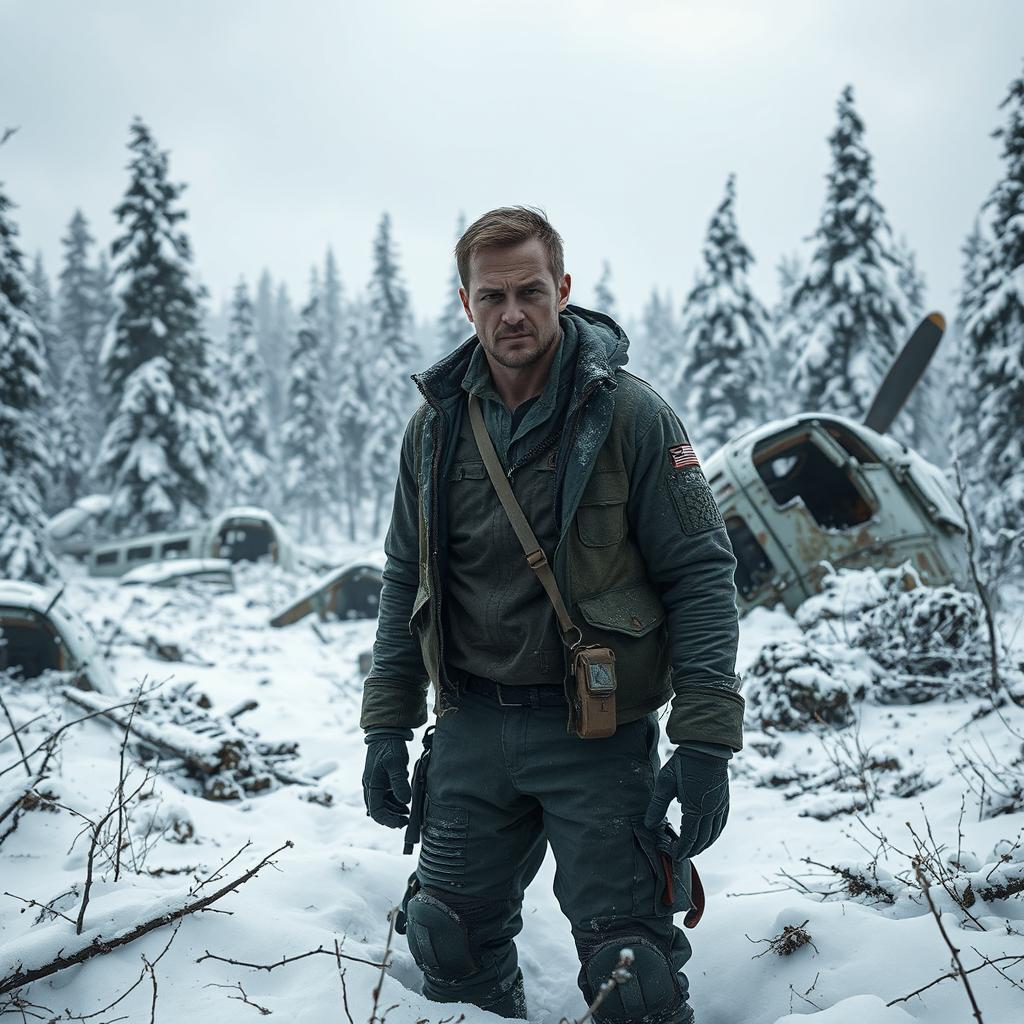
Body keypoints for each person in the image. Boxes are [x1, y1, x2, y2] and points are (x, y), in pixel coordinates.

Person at [360, 207, 742, 1023]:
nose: (513, 313)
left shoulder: (633, 416)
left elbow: (702, 574)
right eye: (491, 296)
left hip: (596, 737)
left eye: (530, 291)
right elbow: (405, 579)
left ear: (562, 289)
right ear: (465, 302)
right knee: (444, 937)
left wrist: (706, 739)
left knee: (629, 975)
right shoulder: (433, 431)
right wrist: (385, 727)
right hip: (471, 728)